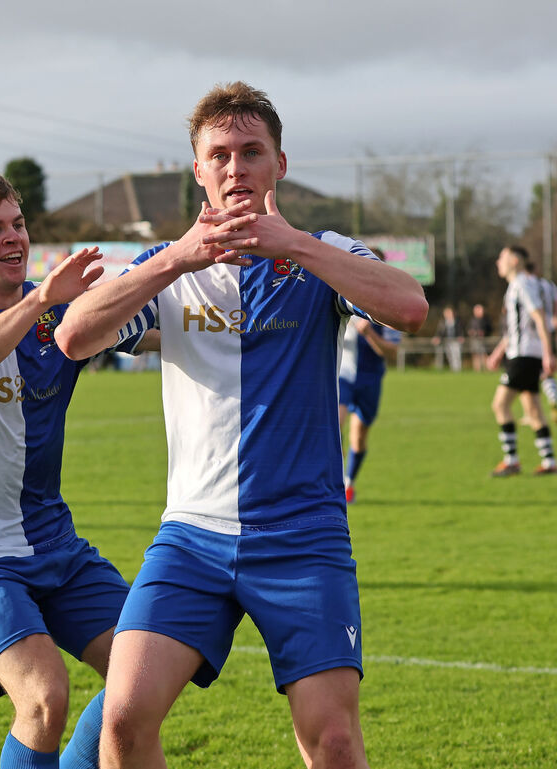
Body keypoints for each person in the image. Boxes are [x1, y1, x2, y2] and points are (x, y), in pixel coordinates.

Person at [54, 82, 428, 769]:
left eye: (251, 151)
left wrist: (295, 243)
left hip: (303, 536)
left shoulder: (323, 253)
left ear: (279, 163)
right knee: (124, 719)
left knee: (335, 741)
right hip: (192, 537)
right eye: (219, 155)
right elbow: (74, 336)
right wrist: (176, 258)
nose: (235, 168)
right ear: (197, 169)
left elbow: (410, 306)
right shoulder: (169, 269)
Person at [0, 168, 154, 769]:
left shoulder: (62, 313)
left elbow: (160, 333)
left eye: (17, 223)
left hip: (57, 545)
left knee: (145, 673)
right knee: (45, 698)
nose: (12, 238)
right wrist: (43, 299)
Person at [338, 251, 402, 504]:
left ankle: (349, 483)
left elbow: (392, 350)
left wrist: (370, 335)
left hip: (370, 378)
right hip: (341, 374)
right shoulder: (340, 289)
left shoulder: (387, 302)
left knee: (359, 436)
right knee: (334, 426)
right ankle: (333, 483)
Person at [486, 245, 556, 476]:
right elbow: (521, 326)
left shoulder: (522, 284)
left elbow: (538, 316)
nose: (498, 261)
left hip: (524, 355)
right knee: (533, 408)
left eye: (502, 256)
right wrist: (498, 351)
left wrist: (548, 352)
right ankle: (549, 462)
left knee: (500, 404)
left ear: (515, 260)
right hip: (526, 354)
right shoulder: (519, 285)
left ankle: (512, 461)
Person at [525, 261, 557, 413]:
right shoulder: (549, 285)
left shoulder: (523, 284)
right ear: (536, 269)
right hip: (550, 329)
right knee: (546, 370)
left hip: (531, 334)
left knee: (528, 374)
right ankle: (552, 395)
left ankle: (532, 412)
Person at [430, 305, 464, 371]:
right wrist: (437, 338)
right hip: (446, 342)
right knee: (450, 356)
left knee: (456, 356)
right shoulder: (442, 322)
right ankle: (453, 369)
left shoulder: (457, 321)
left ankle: (458, 370)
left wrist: (461, 336)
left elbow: (460, 331)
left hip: (455, 341)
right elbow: (439, 332)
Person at [468, 303, 493, 372]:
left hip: (484, 341)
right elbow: (469, 329)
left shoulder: (486, 320)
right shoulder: (472, 320)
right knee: (476, 355)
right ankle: (477, 370)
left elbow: (490, 329)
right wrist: (472, 332)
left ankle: (487, 369)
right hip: (475, 340)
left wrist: (484, 332)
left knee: (485, 355)